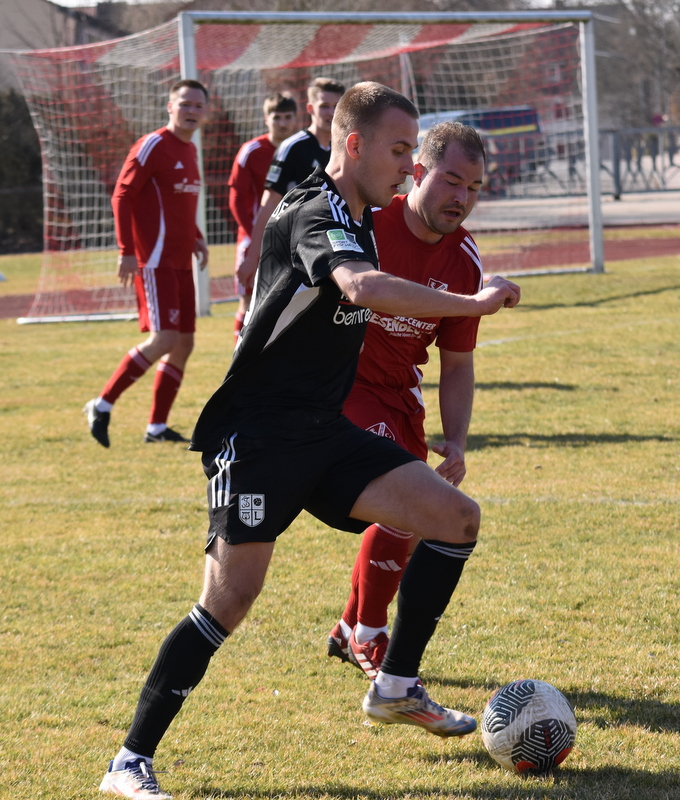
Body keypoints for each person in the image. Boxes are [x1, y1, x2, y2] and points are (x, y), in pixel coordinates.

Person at [99, 82, 520, 800]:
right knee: (230, 599)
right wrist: (472, 303)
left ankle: (395, 683)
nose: (408, 166)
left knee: (455, 517)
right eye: (399, 150)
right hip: (258, 436)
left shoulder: (364, 213)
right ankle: (128, 762)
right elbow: (363, 287)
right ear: (353, 145)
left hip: (324, 431)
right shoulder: (314, 210)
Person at [327, 120, 487, 679]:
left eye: (474, 187)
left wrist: (458, 440)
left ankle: (349, 624)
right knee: (408, 503)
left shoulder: (465, 261)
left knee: (415, 520)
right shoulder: (368, 225)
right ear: (418, 171)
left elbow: (458, 362)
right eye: (452, 181)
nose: (461, 197)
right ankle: (370, 635)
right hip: (343, 389)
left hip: (401, 396)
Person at [84, 79, 209, 448]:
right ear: (170, 107)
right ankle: (101, 405)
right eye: (184, 104)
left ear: (205, 111)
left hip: (181, 261)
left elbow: (177, 202)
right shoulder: (153, 144)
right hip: (155, 261)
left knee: (184, 343)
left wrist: (197, 235)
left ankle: (156, 428)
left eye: (198, 105)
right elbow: (122, 195)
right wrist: (126, 250)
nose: (191, 111)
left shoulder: (190, 150)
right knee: (165, 338)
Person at [235, 76, 345, 297]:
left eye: (336, 106)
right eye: (324, 106)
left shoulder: (344, 147)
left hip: (334, 249)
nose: (331, 112)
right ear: (310, 108)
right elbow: (268, 204)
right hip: (294, 253)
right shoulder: (292, 147)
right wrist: (253, 256)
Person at [228, 92, 298, 342]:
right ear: (266, 119)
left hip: (295, 239)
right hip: (254, 238)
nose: (282, 123)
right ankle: (239, 357)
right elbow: (236, 198)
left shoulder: (303, 148)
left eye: (287, 117)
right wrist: (255, 236)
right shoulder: (251, 151)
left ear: (296, 118)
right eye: (276, 117)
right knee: (248, 301)